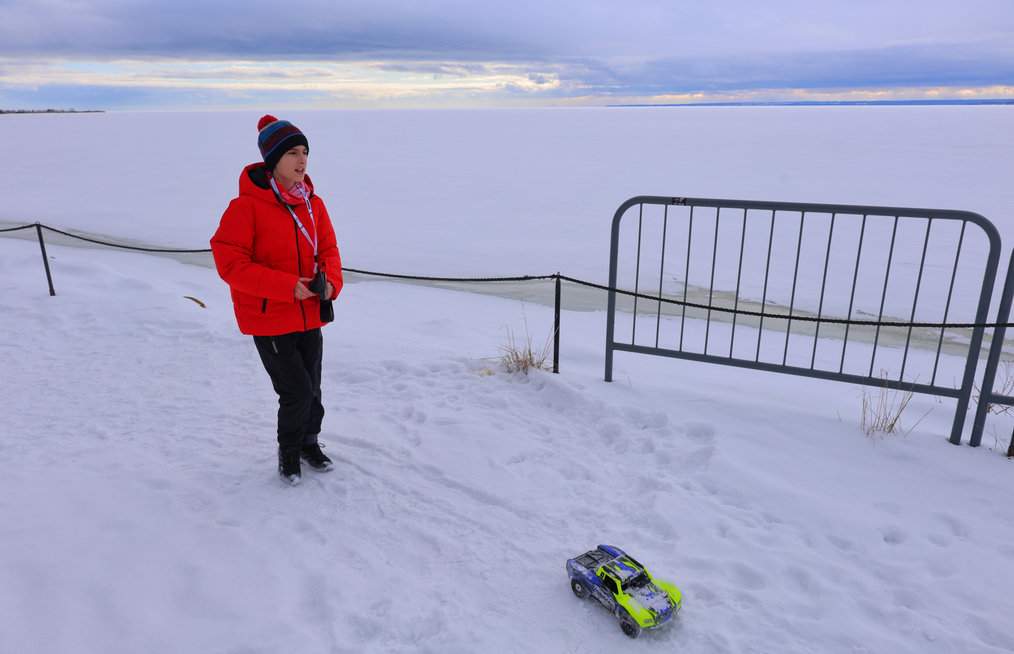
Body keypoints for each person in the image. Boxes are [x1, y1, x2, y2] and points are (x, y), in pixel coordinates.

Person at [211, 115, 343, 485]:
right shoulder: (245, 207)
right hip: (270, 317)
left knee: (313, 388)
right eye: (292, 153)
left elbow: (329, 250)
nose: (301, 161)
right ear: (273, 159)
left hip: (310, 314)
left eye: (305, 153)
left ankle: (309, 443)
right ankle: (288, 453)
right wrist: (286, 286)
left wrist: (330, 283)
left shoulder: (313, 205)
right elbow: (230, 263)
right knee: (296, 391)